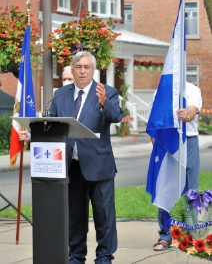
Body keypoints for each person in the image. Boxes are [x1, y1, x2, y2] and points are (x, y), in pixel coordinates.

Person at [19, 51, 124, 264]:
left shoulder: (107, 92)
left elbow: (116, 117)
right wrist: (31, 135)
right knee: (75, 217)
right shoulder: (61, 94)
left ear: (93, 70)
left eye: (87, 67)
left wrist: (104, 103)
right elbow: (50, 125)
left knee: (104, 218)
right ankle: (76, 256)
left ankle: (104, 257)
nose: (83, 71)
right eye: (79, 67)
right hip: (71, 166)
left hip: (99, 165)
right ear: (72, 70)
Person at [150, 81, 202, 251]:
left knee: (189, 190)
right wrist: (157, 144)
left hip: (189, 141)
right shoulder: (160, 92)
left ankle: (190, 236)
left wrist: (186, 115)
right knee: (166, 189)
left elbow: (192, 112)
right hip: (166, 143)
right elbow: (154, 120)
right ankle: (166, 236)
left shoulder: (193, 89)